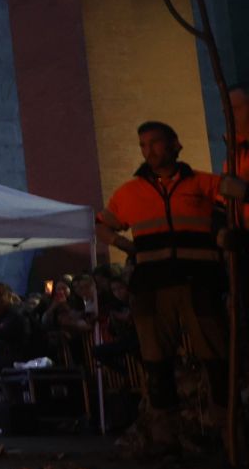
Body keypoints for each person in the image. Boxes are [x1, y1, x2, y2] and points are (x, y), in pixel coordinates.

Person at [96, 120, 229, 435]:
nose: (149, 150)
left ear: (175, 145)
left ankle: (227, 428)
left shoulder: (204, 184)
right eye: (143, 144)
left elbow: (234, 208)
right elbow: (102, 225)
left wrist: (225, 234)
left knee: (217, 359)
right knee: (156, 363)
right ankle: (165, 435)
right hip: (152, 285)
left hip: (200, 280)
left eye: (155, 142)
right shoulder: (130, 193)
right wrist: (126, 246)